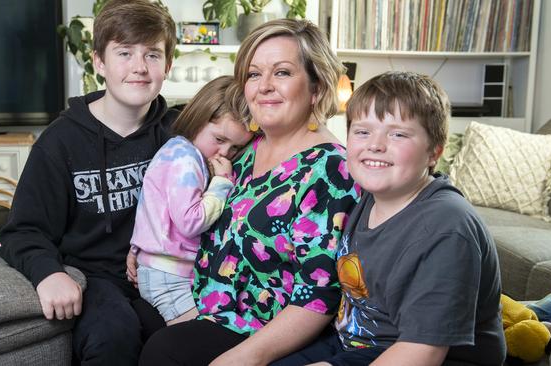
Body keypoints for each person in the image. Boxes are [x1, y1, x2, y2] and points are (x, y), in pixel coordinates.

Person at [139, 19, 360, 365]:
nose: (265, 86)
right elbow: (195, 209)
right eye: (254, 75)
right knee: (121, 326)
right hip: (202, 301)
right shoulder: (244, 149)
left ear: (316, 87)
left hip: (255, 327)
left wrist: (247, 357)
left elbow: (319, 294)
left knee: (162, 351)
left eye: (283, 73)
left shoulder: (331, 168)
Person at [275, 71, 506, 366]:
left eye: (398, 133)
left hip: (420, 353)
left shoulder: (446, 228)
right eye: (362, 131)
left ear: (434, 151)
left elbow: (424, 351)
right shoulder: (368, 197)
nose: (375, 144)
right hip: (357, 340)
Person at [0, 1, 178, 364]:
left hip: (165, 273)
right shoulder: (59, 142)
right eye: (124, 53)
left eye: (153, 55)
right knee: (114, 334)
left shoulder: (178, 132)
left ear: (168, 65)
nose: (139, 68)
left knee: (181, 341)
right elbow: (22, 231)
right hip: (93, 277)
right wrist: (48, 273)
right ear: (99, 62)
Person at [127, 75, 253, 325]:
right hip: (169, 275)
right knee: (196, 333)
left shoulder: (178, 151)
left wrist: (137, 248)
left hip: (163, 268)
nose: (225, 153)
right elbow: (190, 222)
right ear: (197, 121)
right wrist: (222, 183)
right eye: (219, 140)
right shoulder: (185, 161)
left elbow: (153, 210)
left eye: (236, 148)